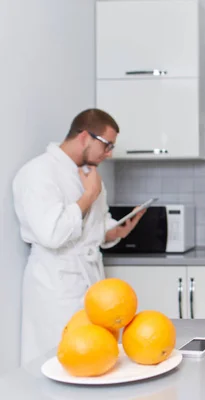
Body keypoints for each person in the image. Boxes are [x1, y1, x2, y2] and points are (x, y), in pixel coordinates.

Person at [13, 109, 145, 364]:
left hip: (91, 281)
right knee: (56, 358)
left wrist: (117, 231)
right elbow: (52, 234)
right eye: (107, 146)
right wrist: (88, 196)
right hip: (57, 284)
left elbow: (96, 225)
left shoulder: (88, 174)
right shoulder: (38, 173)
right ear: (85, 136)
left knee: (94, 357)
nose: (110, 154)